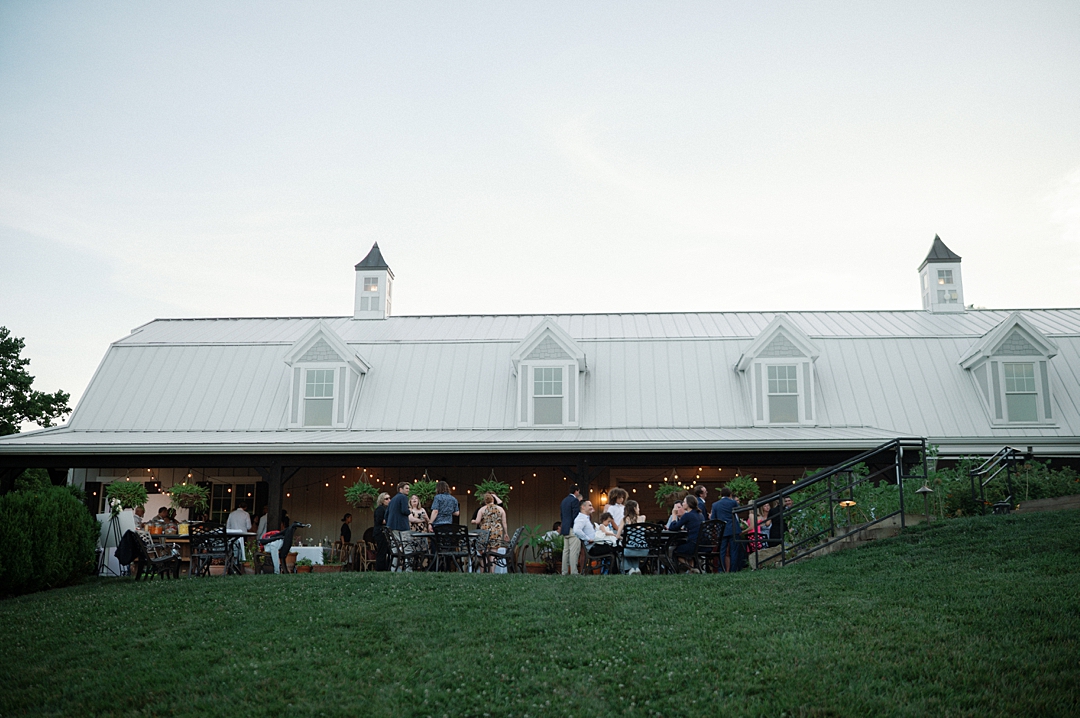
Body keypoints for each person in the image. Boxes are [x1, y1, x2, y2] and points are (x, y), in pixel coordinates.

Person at [572, 500, 617, 572]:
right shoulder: (581, 519)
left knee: (616, 546)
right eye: (589, 505)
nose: (592, 507)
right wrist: (587, 539)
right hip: (593, 548)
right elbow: (576, 530)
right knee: (617, 547)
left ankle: (611, 571)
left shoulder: (586, 518)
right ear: (583, 507)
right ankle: (616, 571)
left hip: (595, 545)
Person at [669, 495, 704, 571]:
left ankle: (691, 568)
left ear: (688, 504)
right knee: (685, 548)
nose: (683, 504)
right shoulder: (700, 515)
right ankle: (692, 570)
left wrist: (674, 515)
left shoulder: (687, 515)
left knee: (675, 551)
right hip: (702, 544)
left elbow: (673, 527)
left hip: (693, 544)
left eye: (684, 502)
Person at [710, 487, 739, 572]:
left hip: (722, 530)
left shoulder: (715, 505)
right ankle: (733, 570)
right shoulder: (733, 503)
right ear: (730, 495)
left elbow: (713, 519)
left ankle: (720, 569)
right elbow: (739, 511)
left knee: (722, 551)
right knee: (733, 551)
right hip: (733, 529)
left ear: (720, 495)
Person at [616, 500, 647, 574]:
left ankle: (629, 570)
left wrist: (624, 539)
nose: (639, 509)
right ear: (634, 508)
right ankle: (636, 568)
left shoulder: (624, 520)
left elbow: (617, 536)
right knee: (633, 546)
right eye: (638, 507)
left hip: (630, 549)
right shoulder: (643, 518)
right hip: (643, 549)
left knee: (626, 546)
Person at [387, 482, 412, 570]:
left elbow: (387, 514)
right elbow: (404, 510)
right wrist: (410, 511)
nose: (408, 490)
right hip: (402, 527)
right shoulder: (403, 497)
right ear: (400, 489)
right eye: (406, 488)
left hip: (392, 527)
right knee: (407, 547)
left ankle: (394, 568)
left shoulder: (392, 500)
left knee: (395, 548)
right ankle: (408, 569)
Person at [560, 485, 582, 575]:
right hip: (573, 528)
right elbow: (575, 515)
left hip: (565, 528)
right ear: (576, 491)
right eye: (578, 492)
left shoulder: (564, 501)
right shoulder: (575, 500)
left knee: (565, 551)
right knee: (573, 551)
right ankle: (573, 572)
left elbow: (562, 515)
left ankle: (564, 571)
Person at [373, 492, 391, 571]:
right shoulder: (380, 509)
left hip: (385, 532)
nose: (389, 500)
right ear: (382, 500)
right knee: (382, 551)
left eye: (389, 498)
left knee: (386, 551)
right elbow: (379, 520)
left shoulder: (387, 509)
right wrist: (390, 521)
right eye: (386, 499)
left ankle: (386, 568)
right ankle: (380, 569)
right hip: (380, 532)